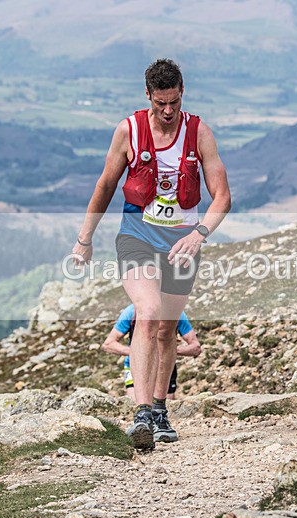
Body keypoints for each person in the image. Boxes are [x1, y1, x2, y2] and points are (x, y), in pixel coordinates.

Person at [72, 58, 230, 451]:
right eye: (161, 103)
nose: (168, 111)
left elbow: (222, 197)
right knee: (147, 312)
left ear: (182, 93)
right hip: (137, 237)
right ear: (148, 96)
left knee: (165, 328)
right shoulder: (128, 132)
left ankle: (160, 408)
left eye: (174, 102)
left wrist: (199, 234)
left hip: (182, 243)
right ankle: (142, 413)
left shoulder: (199, 133)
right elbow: (106, 185)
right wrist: (84, 238)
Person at [101, 305, 202, 440]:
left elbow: (196, 347)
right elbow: (108, 344)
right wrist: (141, 353)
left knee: (165, 402)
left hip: (165, 364)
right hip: (135, 365)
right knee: (135, 401)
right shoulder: (131, 312)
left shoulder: (177, 313)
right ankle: (142, 423)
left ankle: (160, 421)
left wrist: (170, 350)